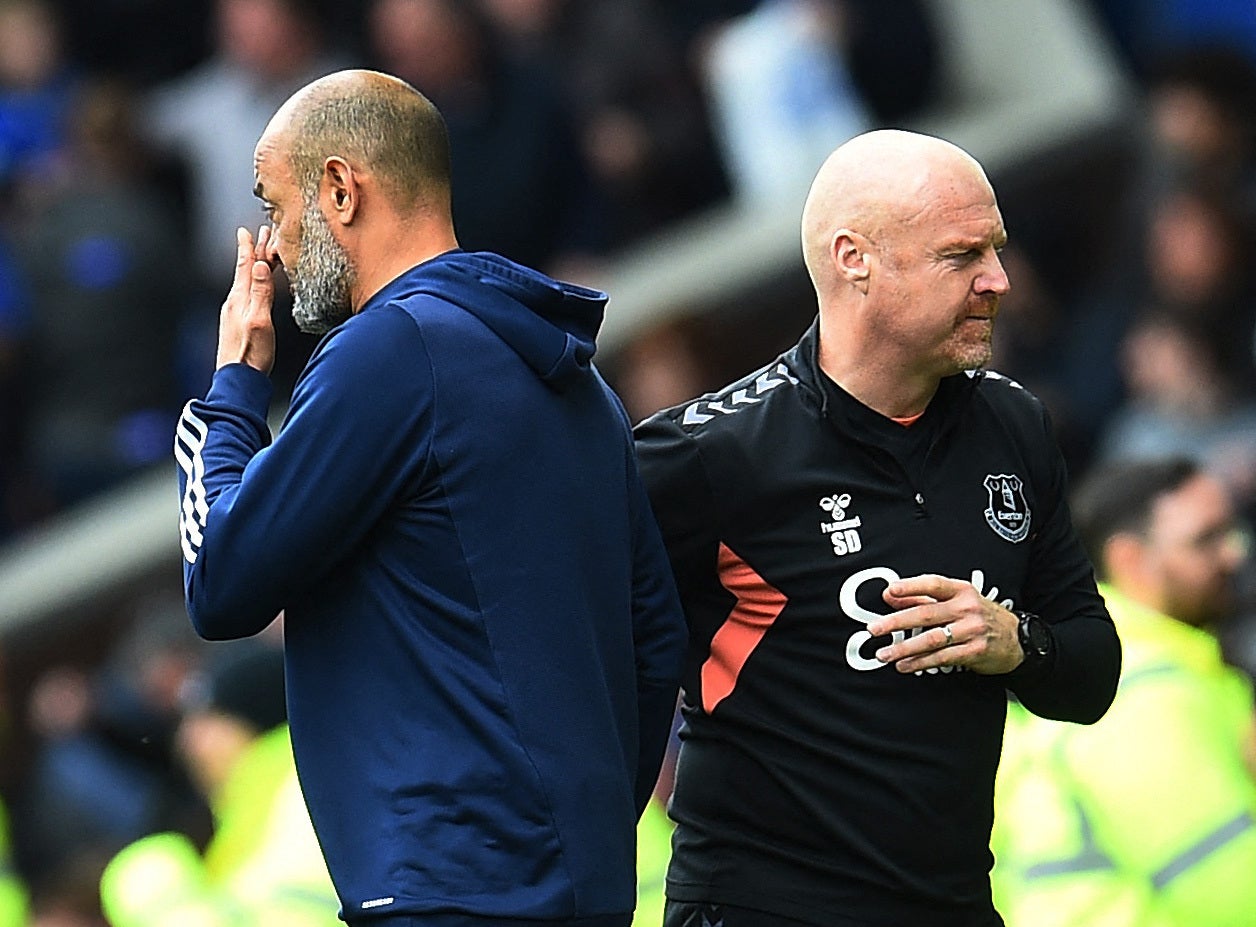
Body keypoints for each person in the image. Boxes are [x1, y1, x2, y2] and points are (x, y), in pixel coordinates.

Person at [172, 68, 687, 927]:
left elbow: (220, 578)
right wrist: (570, 833)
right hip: (578, 885)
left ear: (341, 189)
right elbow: (655, 636)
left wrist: (232, 388)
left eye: (276, 206)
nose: (273, 245)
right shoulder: (576, 379)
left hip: (448, 890)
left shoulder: (388, 351)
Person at [633, 128, 1122, 927]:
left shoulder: (1014, 424)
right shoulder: (705, 455)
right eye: (961, 256)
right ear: (854, 258)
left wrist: (1015, 640)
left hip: (954, 903)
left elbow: (1092, 671)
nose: (999, 279)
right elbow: (551, 625)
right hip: (763, 907)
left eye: (996, 249)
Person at [990, 457, 1256, 926]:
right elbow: (1231, 891)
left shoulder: (1136, 666)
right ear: (1131, 560)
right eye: (1205, 539)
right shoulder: (1141, 692)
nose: (1234, 554)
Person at [98, 643, 341, 927]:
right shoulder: (255, 815)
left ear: (256, 719)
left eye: (207, 721)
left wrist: (156, 896)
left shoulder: (303, 799)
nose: (187, 742)